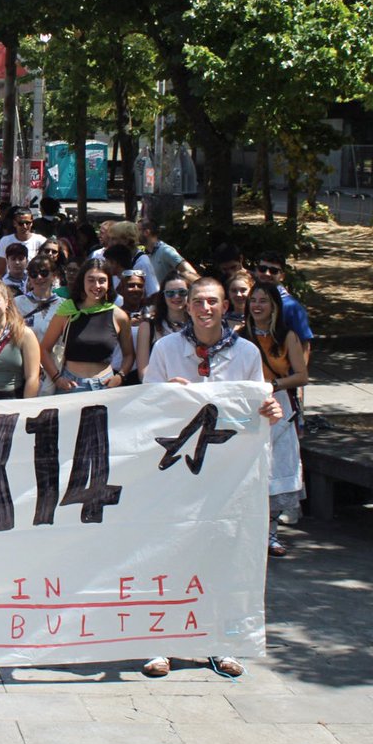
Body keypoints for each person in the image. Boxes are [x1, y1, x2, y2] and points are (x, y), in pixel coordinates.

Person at [141, 277, 282, 680]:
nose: (205, 308)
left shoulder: (246, 353)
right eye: (198, 301)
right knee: (170, 551)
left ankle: (219, 641)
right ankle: (160, 641)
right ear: (187, 307)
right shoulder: (168, 349)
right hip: (178, 470)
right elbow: (146, 406)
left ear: (225, 307)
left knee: (223, 553)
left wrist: (268, 410)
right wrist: (169, 392)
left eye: (213, 302)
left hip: (226, 472)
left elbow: (255, 405)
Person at [241, 282, 308, 556]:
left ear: (274, 307)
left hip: (279, 404)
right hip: (247, 406)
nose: (257, 305)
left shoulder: (286, 336)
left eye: (263, 301)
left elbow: (301, 376)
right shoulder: (238, 335)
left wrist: (274, 385)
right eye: (253, 300)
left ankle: (270, 534)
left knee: (277, 466)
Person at [40, 259, 133, 393]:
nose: (96, 285)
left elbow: (129, 354)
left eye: (102, 280)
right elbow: (44, 349)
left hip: (106, 386)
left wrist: (120, 376)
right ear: (82, 281)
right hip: (71, 386)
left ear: (109, 283)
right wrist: (57, 378)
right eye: (91, 280)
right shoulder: (67, 311)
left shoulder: (119, 316)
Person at [254, 250, 314, 363]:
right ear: (256, 271)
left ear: (282, 276)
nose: (267, 273)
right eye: (262, 269)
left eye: (273, 271)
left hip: (284, 375)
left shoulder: (291, 306)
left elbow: (304, 344)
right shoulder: (251, 301)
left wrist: (299, 375)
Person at [15, 258, 61, 392]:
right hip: (25, 369)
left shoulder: (64, 305)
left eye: (44, 273)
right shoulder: (17, 303)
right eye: (34, 274)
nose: (39, 277)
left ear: (54, 275)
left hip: (55, 369)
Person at [137, 277, 190, 380]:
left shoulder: (198, 325)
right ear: (163, 296)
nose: (176, 296)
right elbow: (143, 372)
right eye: (170, 293)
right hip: (161, 389)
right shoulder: (148, 326)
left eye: (182, 292)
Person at [141, 218, 200, 285]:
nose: (135, 234)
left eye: (137, 230)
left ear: (146, 232)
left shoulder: (166, 251)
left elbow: (193, 275)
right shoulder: (147, 255)